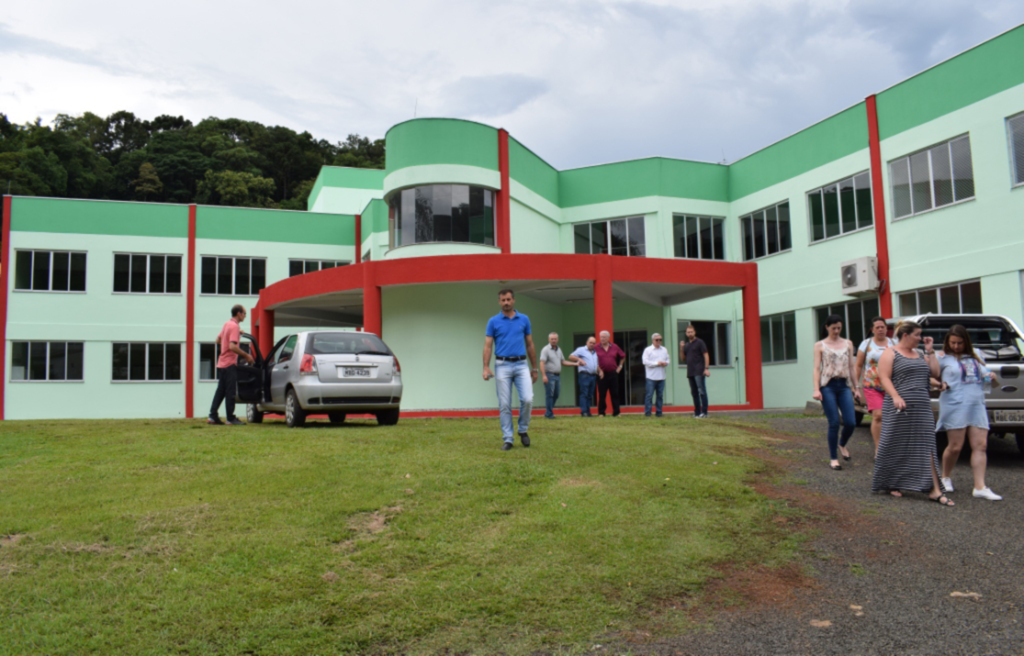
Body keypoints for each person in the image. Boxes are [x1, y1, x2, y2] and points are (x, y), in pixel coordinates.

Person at [871, 321, 952, 505]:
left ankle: (934, 489)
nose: (920, 338)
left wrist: (930, 350)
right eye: (917, 335)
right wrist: (896, 396)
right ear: (905, 335)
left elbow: (934, 373)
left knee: (927, 445)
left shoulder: (920, 354)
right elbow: (884, 377)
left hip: (921, 406)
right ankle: (891, 482)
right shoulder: (890, 352)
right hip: (899, 406)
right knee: (894, 444)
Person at [936, 325, 1002, 500]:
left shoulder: (977, 355)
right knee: (955, 446)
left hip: (976, 404)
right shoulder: (942, 357)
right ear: (947, 342)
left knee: (981, 445)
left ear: (966, 342)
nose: (956, 346)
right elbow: (932, 376)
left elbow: (990, 383)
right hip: (954, 404)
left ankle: (980, 486)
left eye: (960, 343)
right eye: (953, 343)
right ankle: (945, 477)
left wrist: (994, 379)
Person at [482, 289, 538, 451]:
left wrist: (534, 368)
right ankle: (508, 439)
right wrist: (485, 367)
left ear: (513, 300)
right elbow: (487, 346)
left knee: (527, 399)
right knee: (505, 404)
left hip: (521, 365)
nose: (506, 302)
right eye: (502, 300)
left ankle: (523, 430)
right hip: (502, 366)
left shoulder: (524, 319)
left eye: (508, 299)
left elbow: (530, 344)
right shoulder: (493, 321)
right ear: (499, 302)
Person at [812, 315, 861, 470]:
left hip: (844, 385)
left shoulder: (848, 343)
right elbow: (816, 368)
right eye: (833, 328)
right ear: (827, 327)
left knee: (851, 422)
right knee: (833, 423)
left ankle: (842, 443)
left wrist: (856, 387)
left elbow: (852, 367)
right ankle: (833, 458)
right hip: (827, 386)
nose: (836, 331)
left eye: (839, 328)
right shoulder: (820, 345)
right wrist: (816, 389)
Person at [208, 304, 255, 426]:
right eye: (244, 313)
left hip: (221, 364)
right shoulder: (234, 326)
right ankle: (230, 418)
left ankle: (212, 416)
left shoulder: (227, 324)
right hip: (229, 364)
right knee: (230, 392)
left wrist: (236, 333)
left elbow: (218, 340)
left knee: (221, 391)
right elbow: (232, 346)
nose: (245, 316)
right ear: (239, 313)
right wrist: (247, 356)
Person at [855, 317, 896, 457]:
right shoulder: (866, 344)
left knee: (891, 417)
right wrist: (855, 385)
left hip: (891, 386)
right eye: (877, 327)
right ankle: (879, 449)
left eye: (882, 327)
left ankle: (891, 447)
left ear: (886, 329)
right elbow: (859, 365)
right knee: (878, 415)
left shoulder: (893, 343)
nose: (880, 329)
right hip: (872, 385)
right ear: (872, 330)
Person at [539, 332, 578, 419]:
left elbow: (563, 362)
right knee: (549, 394)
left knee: (556, 394)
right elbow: (542, 363)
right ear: (548, 340)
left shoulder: (559, 349)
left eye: (555, 339)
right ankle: (549, 414)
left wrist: (575, 364)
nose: (554, 340)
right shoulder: (545, 349)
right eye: (552, 339)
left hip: (557, 376)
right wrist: (544, 375)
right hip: (549, 375)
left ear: (558, 339)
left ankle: (548, 412)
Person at [680, 324, 710, 418]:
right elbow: (683, 358)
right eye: (688, 332)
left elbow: (706, 355)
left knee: (702, 391)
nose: (690, 334)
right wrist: (681, 348)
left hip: (699, 371)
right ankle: (697, 412)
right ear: (686, 333)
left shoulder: (700, 342)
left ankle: (704, 412)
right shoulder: (687, 345)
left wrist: (706, 368)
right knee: (694, 393)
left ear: (694, 332)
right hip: (690, 372)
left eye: (691, 332)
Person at [595, 331, 625, 417]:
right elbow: (593, 359)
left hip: (613, 373)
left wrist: (620, 367)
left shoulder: (614, 346)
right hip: (601, 374)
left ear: (608, 338)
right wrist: (598, 370)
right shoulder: (596, 347)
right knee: (602, 394)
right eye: (601, 337)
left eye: (604, 337)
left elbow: (623, 356)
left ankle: (616, 412)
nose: (602, 339)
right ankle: (601, 413)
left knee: (615, 393)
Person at [569, 337, 599, 416]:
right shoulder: (581, 349)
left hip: (593, 375)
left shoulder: (595, 352)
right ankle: (584, 411)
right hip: (584, 375)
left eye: (593, 343)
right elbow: (571, 356)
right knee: (584, 393)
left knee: (590, 395)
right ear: (587, 342)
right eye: (590, 342)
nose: (592, 344)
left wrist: (600, 371)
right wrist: (580, 359)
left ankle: (588, 411)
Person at [642, 333, 670, 416]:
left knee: (660, 396)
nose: (658, 341)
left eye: (660, 340)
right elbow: (645, 362)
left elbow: (668, 360)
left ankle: (659, 412)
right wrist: (657, 363)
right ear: (653, 340)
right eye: (657, 340)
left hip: (661, 377)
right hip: (651, 377)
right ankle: (648, 413)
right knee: (649, 396)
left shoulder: (664, 349)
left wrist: (665, 363)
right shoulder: (648, 350)